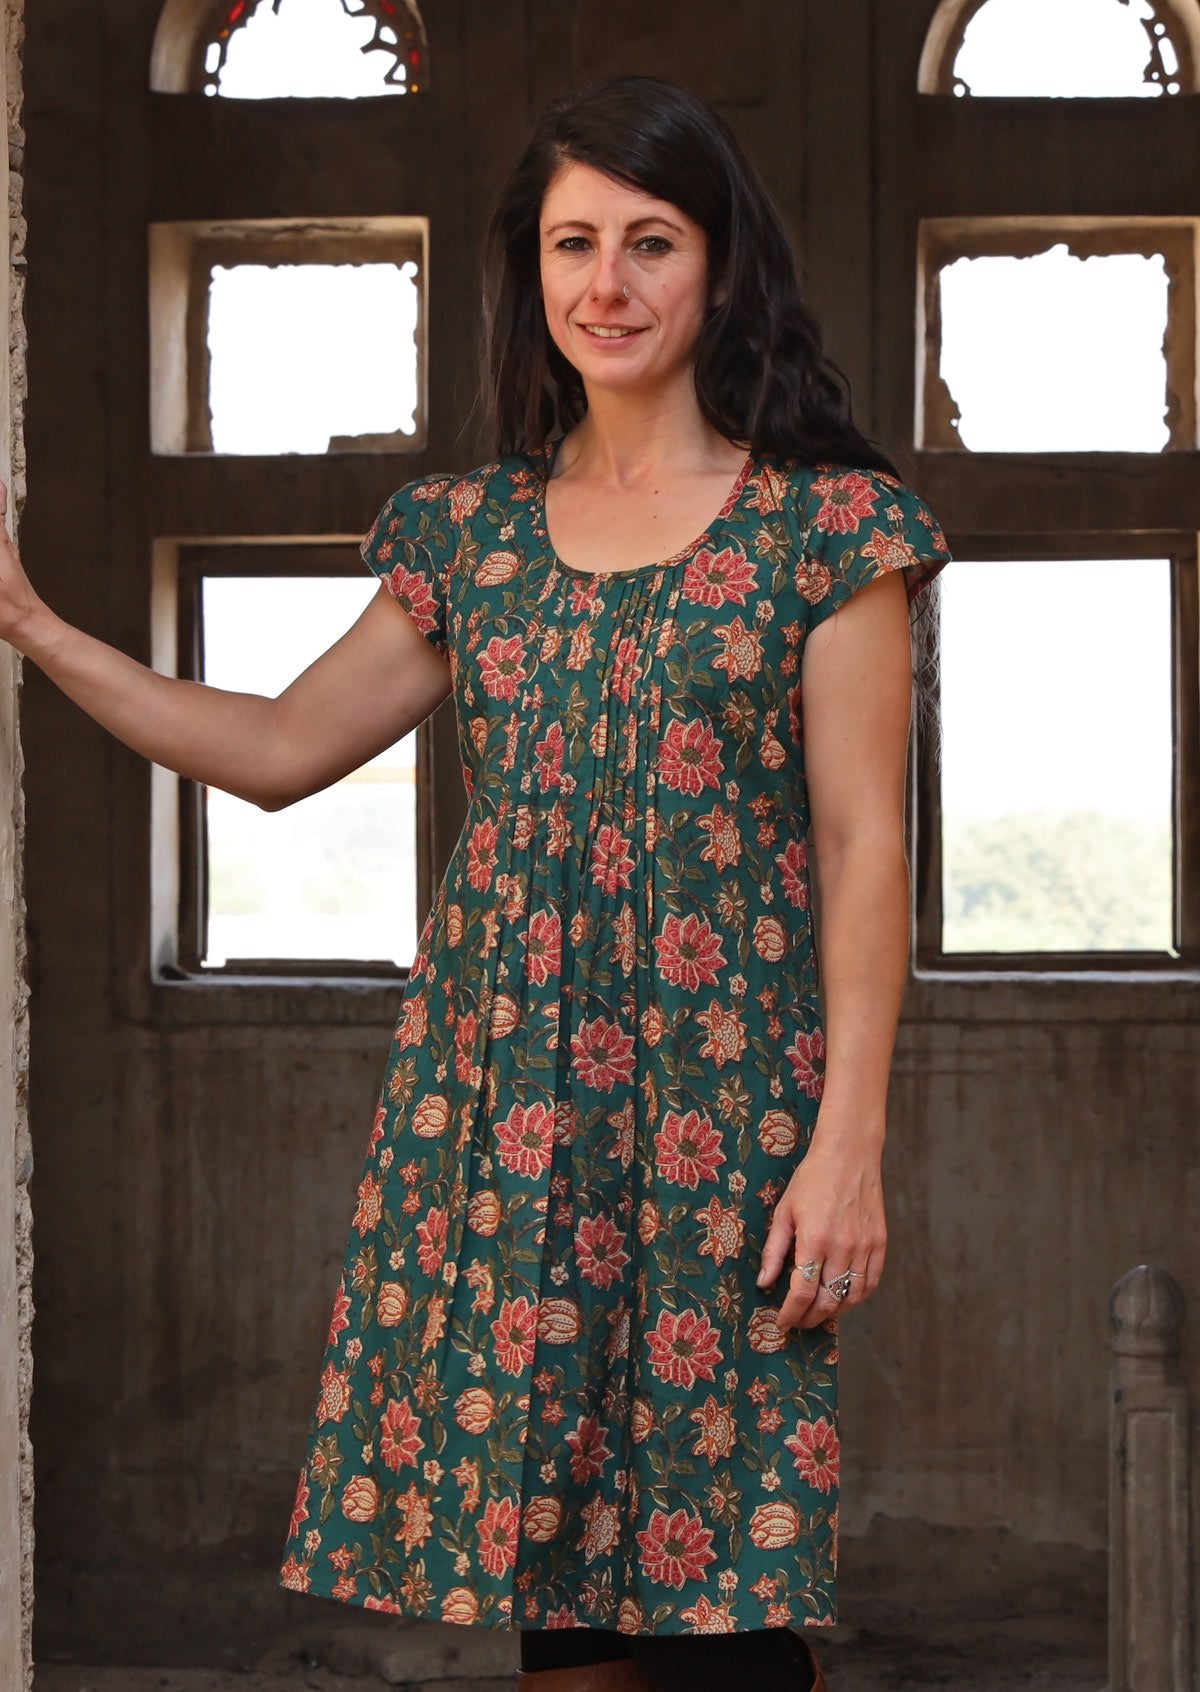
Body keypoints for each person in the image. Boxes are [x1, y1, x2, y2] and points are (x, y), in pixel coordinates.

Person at [0, 74, 949, 1692]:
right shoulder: (474, 536)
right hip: (507, 1106)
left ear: (719, 267)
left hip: (727, 1113)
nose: (610, 284)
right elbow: (283, 746)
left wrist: (846, 1143)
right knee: (556, 1567)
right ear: (535, 272)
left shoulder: (827, 530)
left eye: (653, 243)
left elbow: (868, 850)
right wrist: (31, 626)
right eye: (576, 244)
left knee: (721, 1578)